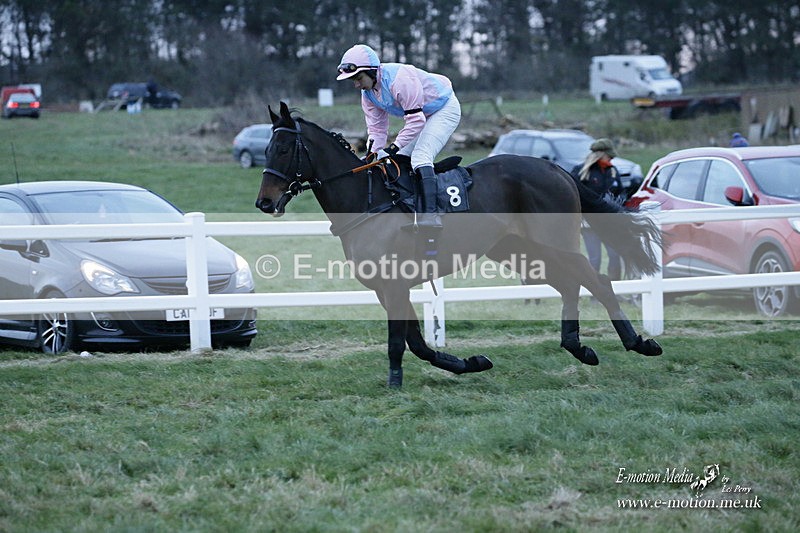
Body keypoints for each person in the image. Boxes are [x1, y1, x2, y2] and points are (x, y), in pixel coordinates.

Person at [336, 43, 461, 229]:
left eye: (358, 78)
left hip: (444, 109)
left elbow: (416, 121)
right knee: (398, 160)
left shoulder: (399, 80)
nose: (356, 85)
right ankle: (409, 208)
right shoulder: (368, 94)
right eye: (353, 80)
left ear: (371, 71)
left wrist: (392, 148)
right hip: (422, 114)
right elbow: (377, 130)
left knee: (420, 157)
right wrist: (372, 154)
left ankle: (430, 216)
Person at [570, 138, 623, 281]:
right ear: (601, 154)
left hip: (609, 222)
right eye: (609, 156)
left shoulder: (612, 171)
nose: (611, 158)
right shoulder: (581, 172)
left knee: (614, 255)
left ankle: (615, 286)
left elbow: (620, 193)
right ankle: (595, 288)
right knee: (595, 258)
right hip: (589, 222)